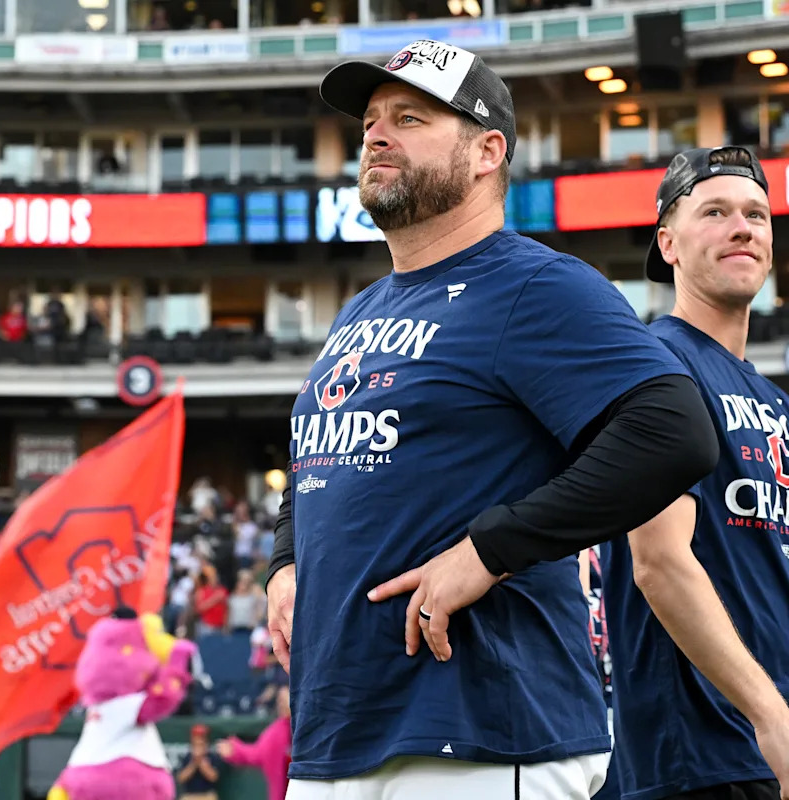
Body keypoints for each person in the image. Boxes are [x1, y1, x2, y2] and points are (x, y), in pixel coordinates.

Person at [265, 39, 719, 799]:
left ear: (487, 151)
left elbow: (673, 430)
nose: (376, 135)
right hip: (340, 737)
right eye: (372, 120)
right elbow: (317, 455)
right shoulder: (360, 309)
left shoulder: (533, 285)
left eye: (409, 118)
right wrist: (285, 563)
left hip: (480, 737)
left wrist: (490, 549)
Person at [599, 146, 789, 800]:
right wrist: (770, 716)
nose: (744, 227)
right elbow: (658, 562)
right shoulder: (652, 367)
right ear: (668, 243)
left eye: (757, 215)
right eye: (716, 212)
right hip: (700, 755)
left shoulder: (772, 401)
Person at [216, 685, 291, 800]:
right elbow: (256, 753)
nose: (282, 703)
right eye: (279, 700)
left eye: (286, 698)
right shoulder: (276, 732)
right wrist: (236, 749)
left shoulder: (312, 724)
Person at [177, 723, 223, 800]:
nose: (198, 747)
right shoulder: (187, 757)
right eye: (195, 744)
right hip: (189, 795)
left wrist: (202, 763)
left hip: (207, 795)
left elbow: (214, 777)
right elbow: (181, 778)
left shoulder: (212, 757)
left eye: (201, 744)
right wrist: (194, 763)